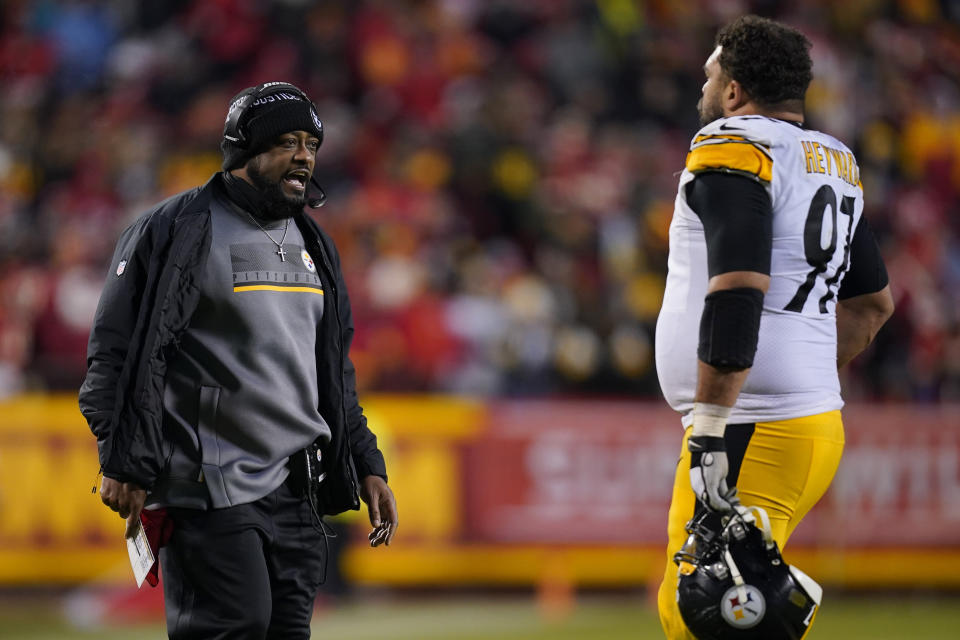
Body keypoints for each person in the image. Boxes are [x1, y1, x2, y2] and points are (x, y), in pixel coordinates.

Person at [80, 81, 398, 639]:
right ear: (244, 153)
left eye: (311, 143)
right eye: (287, 143)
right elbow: (115, 351)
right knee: (233, 627)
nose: (304, 155)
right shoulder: (174, 228)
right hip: (209, 482)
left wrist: (367, 462)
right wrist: (121, 457)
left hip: (299, 487)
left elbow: (331, 372)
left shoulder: (314, 242)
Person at [654, 16, 893, 639]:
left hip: (751, 421)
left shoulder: (733, 143)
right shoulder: (834, 160)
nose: (703, 90)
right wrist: (804, 374)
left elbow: (739, 284)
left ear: (734, 91)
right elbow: (874, 306)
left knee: (705, 613)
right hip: (797, 421)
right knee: (724, 604)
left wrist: (711, 423)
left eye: (710, 76)